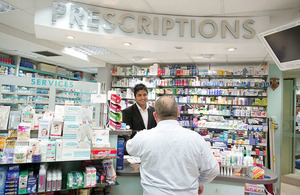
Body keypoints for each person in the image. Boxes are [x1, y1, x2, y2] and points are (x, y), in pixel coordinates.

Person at [126, 96, 219, 195]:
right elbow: (213, 169)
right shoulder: (195, 138)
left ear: (155, 115)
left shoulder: (144, 136)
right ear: (178, 113)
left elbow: (129, 148)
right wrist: (199, 182)